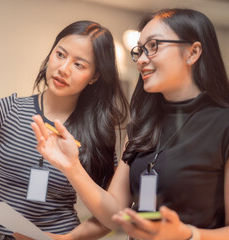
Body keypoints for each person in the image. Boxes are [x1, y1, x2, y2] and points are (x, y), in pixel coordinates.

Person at [31, 8, 229, 240]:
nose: (142, 59)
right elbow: (114, 213)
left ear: (192, 52)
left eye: (154, 46)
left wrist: (188, 234)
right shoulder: (142, 126)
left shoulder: (223, 124)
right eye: (141, 50)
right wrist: (72, 166)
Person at [0, 20, 128, 240]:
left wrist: (68, 239)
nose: (63, 68)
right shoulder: (6, 111)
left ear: (95, 77)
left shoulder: (96, 132)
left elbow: (112, 215)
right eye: (60, 54)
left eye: (79, 64)